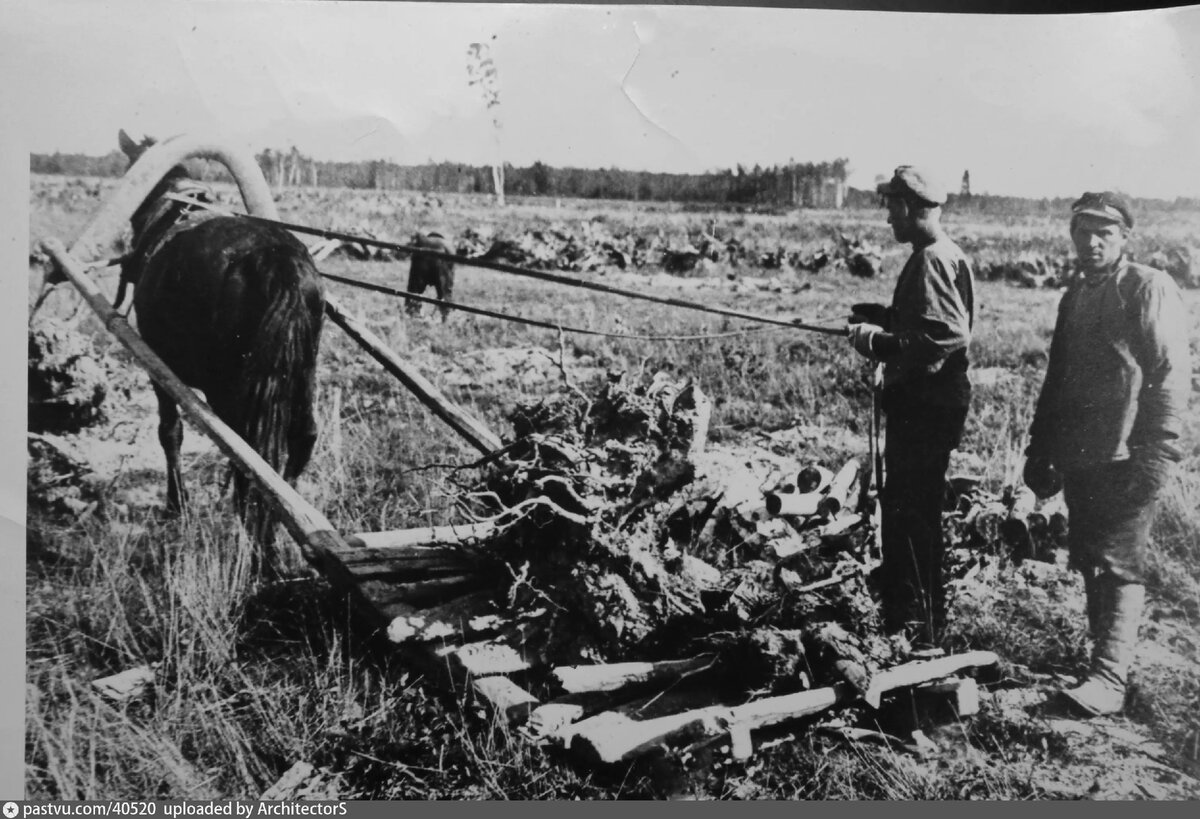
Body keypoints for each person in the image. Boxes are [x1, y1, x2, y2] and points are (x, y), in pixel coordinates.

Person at [1023, 191, 1189, 716]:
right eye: (1082, 233)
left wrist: (1158, 451)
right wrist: (1040, 447)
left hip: (1128, 455)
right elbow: (1058, 378)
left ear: (1125, 238)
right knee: (1092, 558)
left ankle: (1109, 680)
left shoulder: (1146, 287)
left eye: (1104, 234)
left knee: (1120, 562)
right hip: (1082, 454)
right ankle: (1101, 669)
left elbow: (1168, 377)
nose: (1091, 243)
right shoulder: (1075, 295)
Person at [845, 166, 976, 645]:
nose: (887, 219)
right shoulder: (939, 254)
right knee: (908, 507)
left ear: (912, 207)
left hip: (927, 405)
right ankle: (913, 616)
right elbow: (927, 322)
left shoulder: (932, 259)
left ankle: (917, 625)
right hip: (928, 403)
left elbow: (944, 336)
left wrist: (877, 343)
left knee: (911, 513)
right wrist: (880, 318)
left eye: (891, 208)